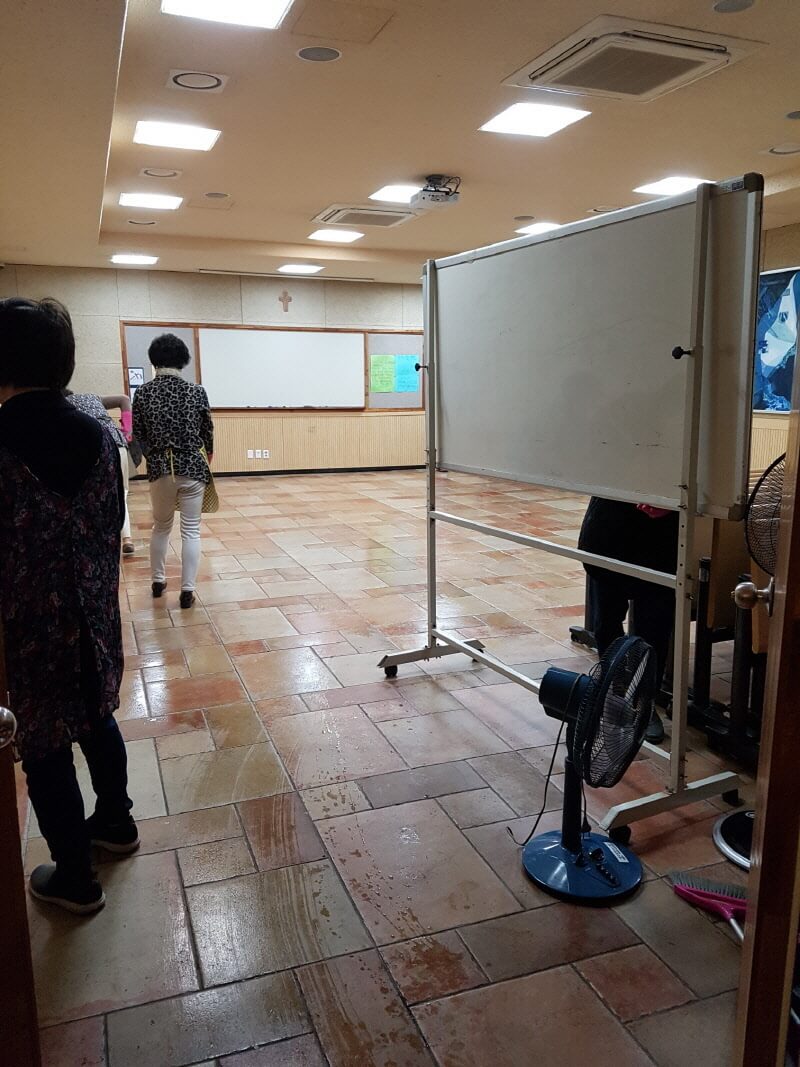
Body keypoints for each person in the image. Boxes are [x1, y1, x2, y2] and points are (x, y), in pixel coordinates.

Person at [0, 297, 137, 915]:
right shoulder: (101, 434)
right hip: (95, 614)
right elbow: (113, 519)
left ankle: (76, 878)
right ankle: (116, 823)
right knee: (97, 716)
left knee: (45, 746)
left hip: (29, 626)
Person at [578, 497, 679, 743]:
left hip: (663, 535)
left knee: (655, 626)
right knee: (606, 622)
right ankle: (614, 693)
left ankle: (643, 702)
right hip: (609, 527)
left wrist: (672, 504)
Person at [132, 333, 214, 609]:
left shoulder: (143, 393)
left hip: (160, 469)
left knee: (161, 526)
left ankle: (158, 582)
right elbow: (207, 429)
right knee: (191, 530)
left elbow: (138, 434)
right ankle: (187, 590)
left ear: (154, 360)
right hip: (192, 467)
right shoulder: (196, 391)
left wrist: (153, 456)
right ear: (183, 360)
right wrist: (208, 453)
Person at [65, 390, 136, 554]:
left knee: (94, 494)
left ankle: (105, 538)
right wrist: (127, 432)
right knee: (122, 492)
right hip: (117, 444)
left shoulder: (65, 406)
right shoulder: (92, 397)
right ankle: (127, 538)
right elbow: (124, 399)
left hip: (92, 447)